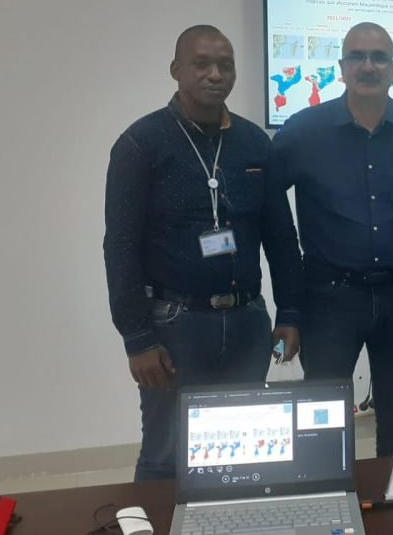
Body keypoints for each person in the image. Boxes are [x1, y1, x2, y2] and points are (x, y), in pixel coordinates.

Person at [104, 25, 303, 481]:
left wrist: (290, 312)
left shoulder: (254, 143)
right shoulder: (141, 143)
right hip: (175, 326)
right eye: (202, 64)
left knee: (243, 453)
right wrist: (137, 338)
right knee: (166, 455)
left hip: (248, 323)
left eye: (225, 65)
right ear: (176, 69)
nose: (215, 74)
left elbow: (281, 235)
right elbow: (120, 246)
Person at [269, 22, 393, 458]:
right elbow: (266, 208)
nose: (368, 66)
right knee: (322, 423)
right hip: (328, 298)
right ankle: (328, 499)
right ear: (341, 68)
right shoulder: (303, 131)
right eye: (357, 56)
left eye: (379, 57)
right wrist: (287, 308)